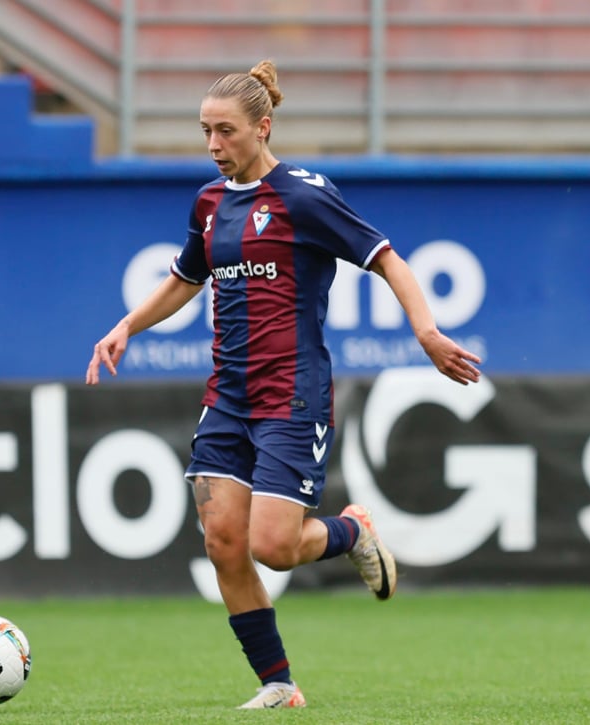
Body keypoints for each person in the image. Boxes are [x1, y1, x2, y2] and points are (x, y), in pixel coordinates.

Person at [86, 60, 482, 710]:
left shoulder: (303, 196)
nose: (214, 145)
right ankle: (278, 683)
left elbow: (387, 258)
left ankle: (352, 532)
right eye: (205, 131)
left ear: (263, 127)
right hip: (227, 396)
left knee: (273, 546)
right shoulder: (209, 203)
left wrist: (428, 333)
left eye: (226, 131)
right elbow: (186, 277)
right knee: (223, 543)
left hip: (291, 395)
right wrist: (127, 324)